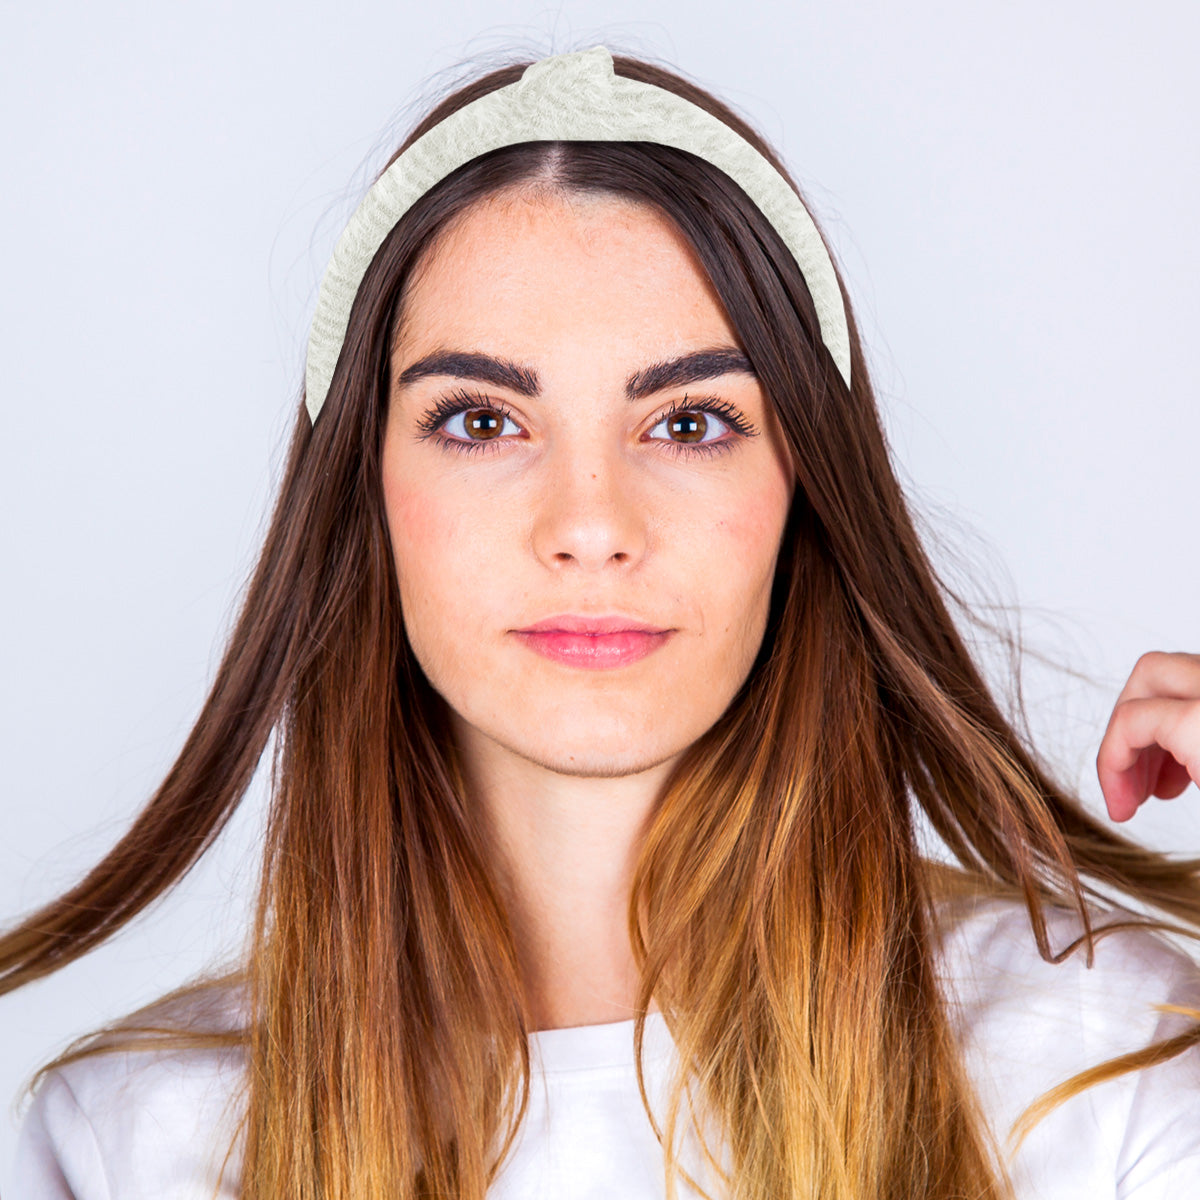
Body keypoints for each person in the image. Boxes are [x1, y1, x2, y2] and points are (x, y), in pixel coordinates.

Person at [4, 43, 1200, 1200]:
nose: (590, 525)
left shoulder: (1105, 1059)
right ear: (364, 487)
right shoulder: (133, 1147)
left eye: (689, 423)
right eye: (482, 422)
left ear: (805, 483)